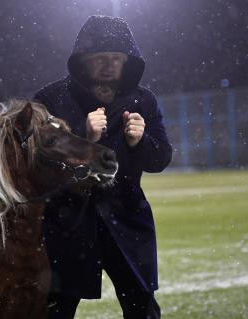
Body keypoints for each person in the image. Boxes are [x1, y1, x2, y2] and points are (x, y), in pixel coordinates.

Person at [34, 16, 172, 318]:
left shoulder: (143, 100)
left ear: (128, 62)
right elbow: (37, 167)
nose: (109, 66)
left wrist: (141, 142)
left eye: (116, 59)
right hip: (67, 222)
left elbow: (161, 159)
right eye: (100, 58)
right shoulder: (50, 99)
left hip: (127, 218)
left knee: (143, 308)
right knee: (55, 310)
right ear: (82, 62)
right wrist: (84, 138)